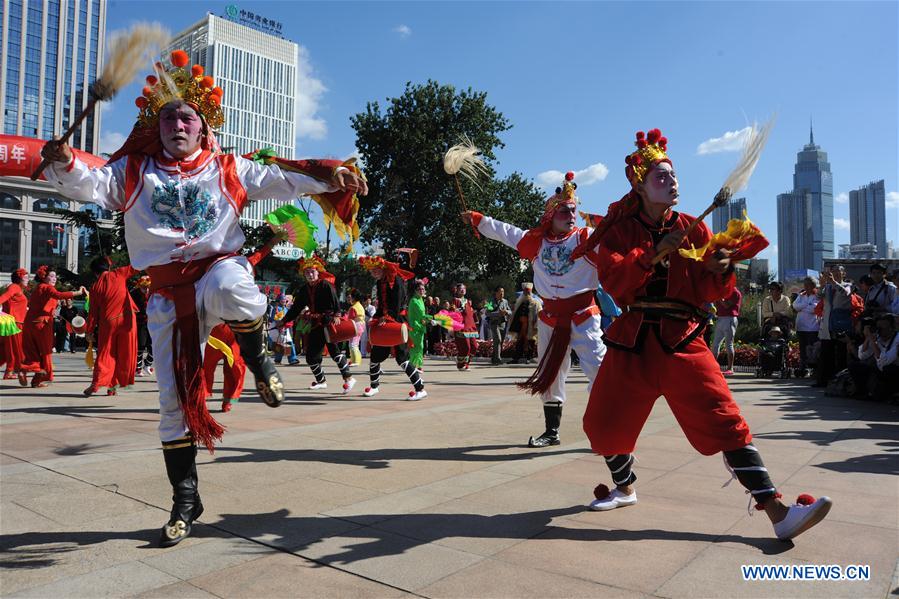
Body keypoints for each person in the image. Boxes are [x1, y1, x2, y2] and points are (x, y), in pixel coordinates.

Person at [40, 49, 367, 547]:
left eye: (187, 116)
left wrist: (329, 175)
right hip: (167, 297)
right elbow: (86, 183)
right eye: (168, 116)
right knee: (172, 404)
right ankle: (185, 501)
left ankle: (259, 361)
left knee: (231, 285)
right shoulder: (132, 172)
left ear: (204, 128)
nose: (177, 123)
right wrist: (63, 160)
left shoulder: (228, 167)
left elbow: (281, 177)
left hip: (217, 268)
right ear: (158, 126)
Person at [579, 128, 830, 540]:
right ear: (639, 186)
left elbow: (711, 292)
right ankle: (624, 487)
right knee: (603, 426)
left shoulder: (693, 229)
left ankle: (778, 511)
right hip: (633, 342)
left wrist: (719, 267)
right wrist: (655, 252)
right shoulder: (619, 230)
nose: (672, 182)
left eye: (673, 176)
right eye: (661, 177)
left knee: (725, 420)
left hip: (682, 340)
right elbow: (616, 280)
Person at [462, 171, 607, 448]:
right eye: (565, 210)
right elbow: (506, 232)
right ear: (551, 214)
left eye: (574, 210)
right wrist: (478, 220)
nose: (571, 215)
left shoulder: (587, 238)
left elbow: (618, 242)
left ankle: (608, 428)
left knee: (600, 369)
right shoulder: (536, 242)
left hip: (583, 315)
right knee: (550, 374)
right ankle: (551, 432)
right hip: (551, 318)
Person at [280, 255, 356, 393]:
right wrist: (284, 321)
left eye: (312, 272)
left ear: (317, 272)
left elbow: (335, 301)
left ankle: (349, 378)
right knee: (311, 357)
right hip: (315, 324)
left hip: (328, 323)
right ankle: (321, 381)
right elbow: (296, 308)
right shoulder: (304, 290)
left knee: (335, 353)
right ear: (304, 274)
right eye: (307, 272)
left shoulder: (325, 285)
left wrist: (337, 314)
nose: (310, 274)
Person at [358, 255, 426, 400]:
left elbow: (397, 303)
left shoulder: (396, 280)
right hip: (385, 323)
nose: (374, 272)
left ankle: (420, 389)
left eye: (376, 269)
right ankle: (374, 387)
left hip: (396, 322)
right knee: (376, 356)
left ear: (382, 268)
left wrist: (387, 318)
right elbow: (382, 306)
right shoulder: (379, 282)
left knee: (402, 359)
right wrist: (377, 318)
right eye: (371, 270)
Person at [19, 266, 87, 387]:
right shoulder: (47, 287)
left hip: (29, 323)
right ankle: (44, 376)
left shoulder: (38, 288)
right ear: (43, 277)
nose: (54, 279)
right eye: (51, 276)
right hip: (42, 324)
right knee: (45, 352)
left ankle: (29, 374)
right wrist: (79, 292)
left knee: (32, 351)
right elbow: (59, 295)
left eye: (55, 276)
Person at [83, 257, 139, 397]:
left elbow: (93, 313)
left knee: (106, 353)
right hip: (127, 319)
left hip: (108, 322)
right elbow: (137, 266)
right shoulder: (119, 273)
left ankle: (97, 383)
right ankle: (113, 386)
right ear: (107, 267)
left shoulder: (95, 287)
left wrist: (89, 330)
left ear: (95, 272)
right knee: (124, 353)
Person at [814, 266, 853, 388]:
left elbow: (845, 293)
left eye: (838, 271)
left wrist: (833, 282)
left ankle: (840, 381)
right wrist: (821, 284)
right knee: (826, 353)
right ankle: (823, 380)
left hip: (840, 324)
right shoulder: (828, 286)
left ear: (843, 273)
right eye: (833, 272)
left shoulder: (848, 285)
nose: (835, 274)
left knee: (841, 354)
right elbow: (818, 297)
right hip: (827, 324)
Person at [849, 314, 898, 401]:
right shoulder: (878, 337)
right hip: (881, 371)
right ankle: (863, 392)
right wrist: (868, 338)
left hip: (894, 372)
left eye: (883, 328)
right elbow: (862, 355)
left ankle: (892, 393)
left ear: (891, 328)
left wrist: (872, 341)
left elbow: (884, 362)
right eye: (878, 328)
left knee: (888, 369)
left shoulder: (897, 340)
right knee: (854, 366)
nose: (880, 331)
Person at [203, 322, 245, 413]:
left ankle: (203, 398)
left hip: (218, 327)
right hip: (233, 327)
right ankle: (228, 401)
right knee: (235, 367)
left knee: (207, 367)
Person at [0, 268, 29, 379]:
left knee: (7, 348)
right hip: (14, 323)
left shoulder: (19, 289)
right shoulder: (14, 287)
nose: (27, 280)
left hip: (17, 322)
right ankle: (13, 370)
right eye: (25, 278)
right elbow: (4, 297)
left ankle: (10, 371)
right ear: (19, 279)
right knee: (15, 348)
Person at [710, 287, 742, 375]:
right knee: (715, 344)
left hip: (730, 318)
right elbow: (717, 305)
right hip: (721, 318)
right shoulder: (723, 291)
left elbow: (726, 305)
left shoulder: (735, 292)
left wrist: (718, 297)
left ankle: (730, 368)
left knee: (729, 344)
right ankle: (713, 367)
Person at [792, 277, 820, 376]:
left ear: (814, 285)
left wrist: (802, 307)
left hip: (813, 328)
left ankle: (814, 370)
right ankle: (802, 369)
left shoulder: (817, 295)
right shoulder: (801, 295)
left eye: (809, 284)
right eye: (805, 284)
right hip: (801, 327)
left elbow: (815, 309)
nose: (806, 287)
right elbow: (795, 306)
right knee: (803, 350)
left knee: (813, 351)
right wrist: (806, 305)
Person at [507, 283, 540, 365]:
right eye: (525, 292)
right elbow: (515, 314)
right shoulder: (519, 302)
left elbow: (539, 315)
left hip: (531, 326)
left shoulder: (536, 303)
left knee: (530, 342)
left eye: (528, 292)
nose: (526, 294)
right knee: (519, 342)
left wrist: (536, 325)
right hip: (521, 326)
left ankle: (529, 358)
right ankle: (516, 358)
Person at [130, 274, 154, 376]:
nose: (146, 288)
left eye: (147, 286)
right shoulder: (134, 294)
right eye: (143, 286)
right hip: (140, 323)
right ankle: (138, 368)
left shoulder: (154, 292)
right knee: (140, 345)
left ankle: (147, 364)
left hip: (153, 322)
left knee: (153, 346)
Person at [451, 282, 479, 371]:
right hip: (462, 327)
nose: (462, 290)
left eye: (464, 289)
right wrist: (457, 310)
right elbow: (452, 311)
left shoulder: (468, 301)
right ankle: (461, 364)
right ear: (457, 291)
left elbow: (471, 312)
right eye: (460, 289)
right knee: (466, 347)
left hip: (471, 326)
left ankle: (466, 363)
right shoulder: (455, 300)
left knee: (474, 346)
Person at [485, 286, 511, 365]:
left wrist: (506, 312)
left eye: (503, 292)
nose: (502, 294)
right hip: (494, 323)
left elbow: (510, 311)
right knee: (498, 340)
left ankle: (494, 358)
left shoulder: (505, 301)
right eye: (500, 292)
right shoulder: (490, 302)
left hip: (502, 323)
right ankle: (498, 359)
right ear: (496, 293)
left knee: (500, 341)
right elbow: (487, 313)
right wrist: (498, 313)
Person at [407, 278, 429, 371]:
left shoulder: (421, 300)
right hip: (414, 326)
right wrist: (432, 318)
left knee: (420, 346)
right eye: (420, 289)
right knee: (416, 346)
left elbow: (423, 316)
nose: (422, 291)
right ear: (416, 290)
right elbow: (421, 315)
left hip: (420, 327)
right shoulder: (414, 301)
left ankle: (418, 365)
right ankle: (412, 365)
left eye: (423, 289)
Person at [346, 288, 366, 366]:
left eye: (350, 296)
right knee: (355, 344)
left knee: (353, 344)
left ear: (354, 297)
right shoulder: (359, 305)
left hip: (355, 326)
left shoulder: (353, 307)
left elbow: (350, 319)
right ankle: (354, 360)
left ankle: (356, 361)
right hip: (361, 325)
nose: (349, 298)